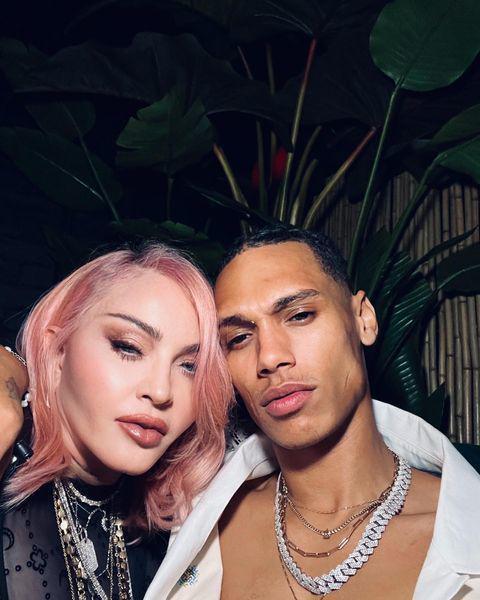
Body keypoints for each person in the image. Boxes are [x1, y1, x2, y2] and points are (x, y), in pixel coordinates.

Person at [144, 226, 480, 599]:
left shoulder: (465, 537)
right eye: (239, 338)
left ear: (363, 319)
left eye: (300, 315)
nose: (270, 357)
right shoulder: (198, 520)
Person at [0, 242, 232, 600]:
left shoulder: (177, 528)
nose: (160, 391)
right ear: (58, 352)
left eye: (189, 367)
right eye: (128, 347)